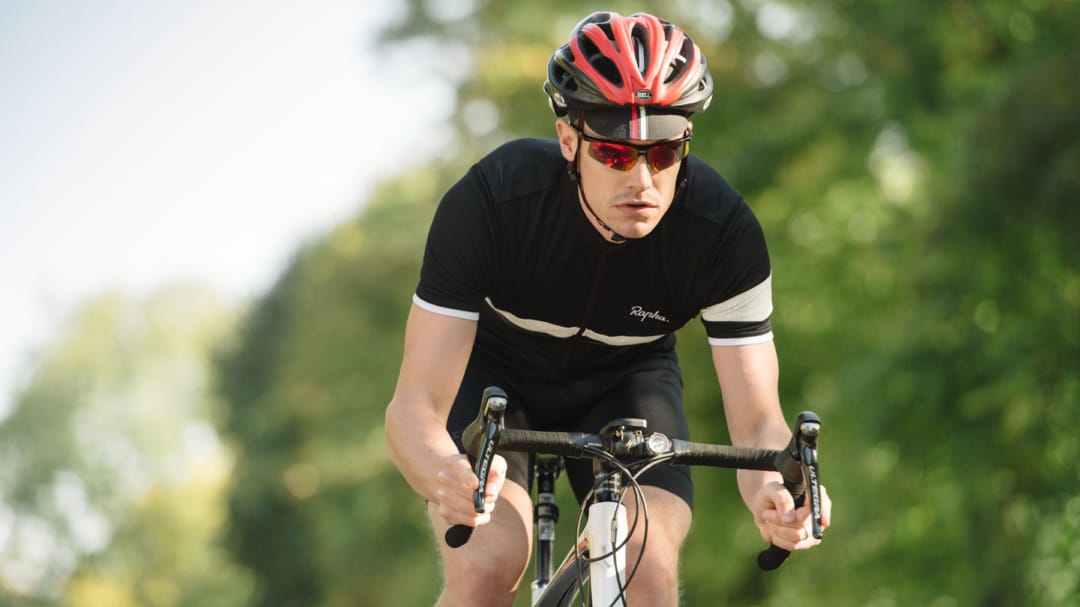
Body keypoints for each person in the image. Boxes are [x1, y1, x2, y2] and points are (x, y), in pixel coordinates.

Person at [385, 10, 832, 606]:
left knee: (646, 565)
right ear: (569, 141)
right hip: (494, 380)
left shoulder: (723, 234)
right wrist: (444, 472)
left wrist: (777, 495)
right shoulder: (492, 203)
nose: (643, 179)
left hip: (627, 381)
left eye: (664, 153)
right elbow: (412, 409)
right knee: (489, 565)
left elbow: (758, 424)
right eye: (618, 155)